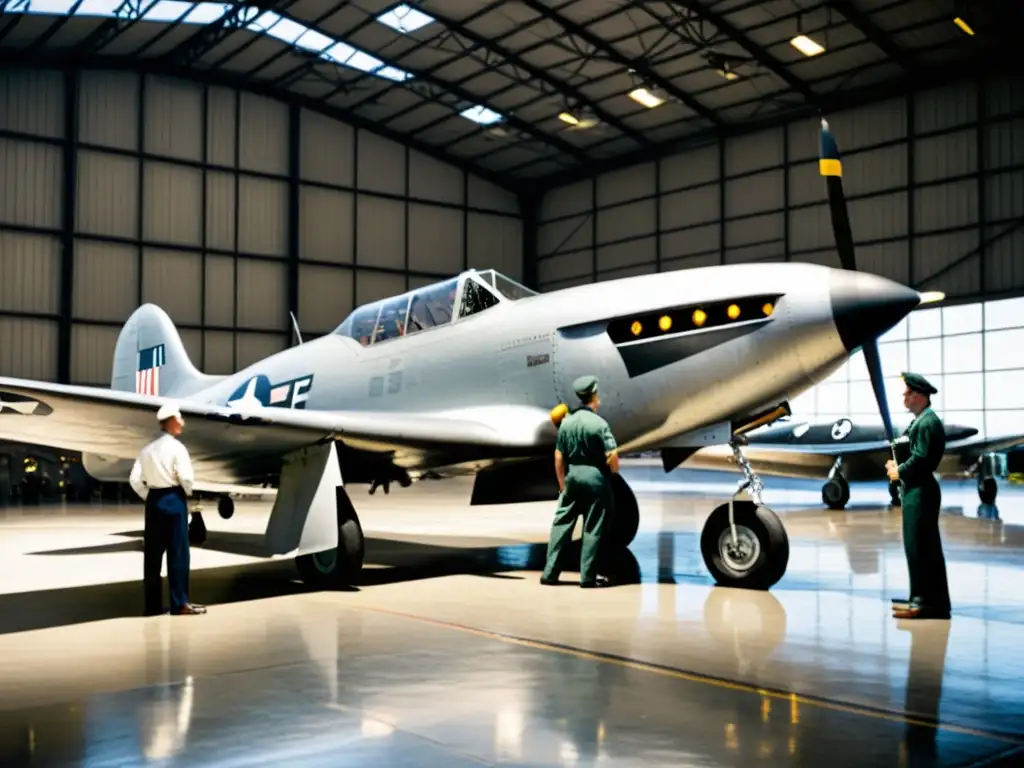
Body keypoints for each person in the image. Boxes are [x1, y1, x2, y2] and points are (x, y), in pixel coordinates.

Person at [540, 375, 619, 589]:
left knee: (561, 525)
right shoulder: (599, 423)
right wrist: (613, 474)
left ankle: (549, 573)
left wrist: (562, 487)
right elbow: (612, 455)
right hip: (595, 479)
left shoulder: (567, 423)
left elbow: (558, 458)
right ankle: (588, 578)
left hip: (572, 477)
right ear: (594, 395)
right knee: (593, 528)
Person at [129, 404, 206, 616]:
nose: (182, 422)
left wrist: (150, 496)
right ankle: (179, 603)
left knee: (152, 556)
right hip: (173, 499)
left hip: (153, 501)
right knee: (178, 553)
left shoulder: (146, 450)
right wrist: (187, 493)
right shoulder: (177, 448)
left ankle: (152, 605)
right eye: (179, 419)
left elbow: (134, 479)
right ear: (171, 421)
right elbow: (186, 477)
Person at [885, 372, 950, 620]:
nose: (905, 397)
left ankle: (926, 602)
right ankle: (920, 598)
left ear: (920, 396)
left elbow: (922, 458)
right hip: (915, 490)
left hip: (920, 491)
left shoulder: (927, 422)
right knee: (917, 546)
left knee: (921, 547)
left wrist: (897, 471)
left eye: (909, 393)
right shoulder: (921, 421)